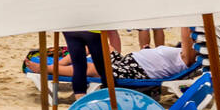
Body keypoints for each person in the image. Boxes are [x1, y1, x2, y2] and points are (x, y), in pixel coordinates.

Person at [26, 28, 197, 84]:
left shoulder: (187, 59)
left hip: (138, 71)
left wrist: (186, 25)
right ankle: (60, 63)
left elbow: (188, 54)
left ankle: (47, 69)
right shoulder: (182, 53)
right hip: (131, 61)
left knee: (94, 69)